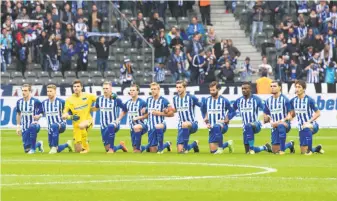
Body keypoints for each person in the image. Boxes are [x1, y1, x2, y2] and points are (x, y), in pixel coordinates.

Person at [232, 82, 272, 154]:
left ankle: (252, 149)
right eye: (242, 89)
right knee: (247, 152)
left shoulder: (256, 99)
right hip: (245, 127)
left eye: (245, 88)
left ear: (250, 89)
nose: (243, 90)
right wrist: (226, 118)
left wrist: (267, 116)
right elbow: (232, 111)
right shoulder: (238, 101)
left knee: (248, 125)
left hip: (256, 125)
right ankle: (264, 147)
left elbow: (265, 108)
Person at [288, 80, 324, 155]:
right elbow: (292, 114)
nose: (297, 89)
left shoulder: (309, 100)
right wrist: (290, 116)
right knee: (303, 151)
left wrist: (309, 121)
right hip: (301, 127)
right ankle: (316, 149)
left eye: (299, 87)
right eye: (296, 87)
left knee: (307, 127)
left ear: (304, 89)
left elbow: (318, 113)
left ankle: (310, 150)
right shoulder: (293, 101)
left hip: (312, 125)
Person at [91, 81, 128, 153]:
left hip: (114, 124)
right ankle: (120, 146)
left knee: (111, 126)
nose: (105, 90)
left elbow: (125, 109)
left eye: (107, 88)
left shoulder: (116, 99)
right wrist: (87, 109)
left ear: (111, 89)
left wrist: (118, 119)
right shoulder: (99, 99)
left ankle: (111, 149)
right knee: (106, 149)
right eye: (104, 88)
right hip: (103, 125)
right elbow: (96, 108)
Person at [37, 84, 73, 154]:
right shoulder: (44, 103)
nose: (49, 93)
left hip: (61, 125)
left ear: (55, 92)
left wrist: (66, 114)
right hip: (51, 127)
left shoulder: (61, 102)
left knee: (54, 126)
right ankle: (67, 144)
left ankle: (54, 147)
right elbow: (40, 112)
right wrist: (38, 116)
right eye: (48, 91)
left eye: (51, 91)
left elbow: (70, 112)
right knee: (53, 148)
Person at [62, 80, 96, 154]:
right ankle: (70, 143)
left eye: (78, 86)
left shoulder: (88, 96)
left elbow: (100, 100)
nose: (76, 88)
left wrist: (95, 108)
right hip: (76, 125)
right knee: (78, 150)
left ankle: (85, 148)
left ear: (81, 87)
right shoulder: (69, 100)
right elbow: (64, 114)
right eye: (74, 86)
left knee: (82, 126)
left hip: (88, 120)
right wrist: (70, 117)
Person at [201, 81, 234, 154]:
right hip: (211, 127)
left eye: (213, 90)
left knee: (216, 126)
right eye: (210, 90)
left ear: (218, 89)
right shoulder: (207, 100)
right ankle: (228, 143)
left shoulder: (224, 100)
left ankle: (221, 148)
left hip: (222, 126)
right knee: (213, 151)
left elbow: (232, 111)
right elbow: (203, 111)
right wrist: (206, 121)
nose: (211, 92)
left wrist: (228, 118)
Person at [263, 81, 295, 154]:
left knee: (281, 125)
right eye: (271, 86)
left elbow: (290, 116)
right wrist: (269, 120)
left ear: (280, 88)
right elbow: (266, 115)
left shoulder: (285, 99)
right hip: (274, 126)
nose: (272, 88)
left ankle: (282, 151)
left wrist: (279, 122)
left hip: (285, 124)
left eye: (274, 86)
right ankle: (290, 144)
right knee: (275, 151)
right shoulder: (268, 101)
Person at [142, 82, 173, 154]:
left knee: (157, 126)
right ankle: (167, 144)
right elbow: (147, 111)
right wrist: (144, 110)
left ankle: (161, 148)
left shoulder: (164, 100)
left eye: (154, 89)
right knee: (152, 150)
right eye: (151, 89)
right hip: (150, 127)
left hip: (160, 125)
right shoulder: (148, 100)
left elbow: (171, 114)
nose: (153, 91)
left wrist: (160, 113)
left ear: (158, 90)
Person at [117, 84, 149, 153]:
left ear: (138, 92)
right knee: (134, 148)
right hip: (132, 127)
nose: (131, 92)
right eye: (130, 90)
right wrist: (118, 120)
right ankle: (147, 146)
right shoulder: (128, 103)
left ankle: (138, 149)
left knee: (136, 128)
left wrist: (139, 117)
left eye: (133, 90)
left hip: (142, 125)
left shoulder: (142, 103)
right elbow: (124, 111)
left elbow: (148, 115)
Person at [172, 80, 201, 153]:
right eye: (177, 87)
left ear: (185, 88)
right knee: (179, 151)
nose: (178, 89)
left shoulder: (191, 98)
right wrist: (168, 110)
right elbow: (175, 110)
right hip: (181, 125)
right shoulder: (175, 98)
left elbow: (201, 106)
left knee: (185, 124)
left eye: (180, 87)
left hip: (192, 124)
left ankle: (185, 149)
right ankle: (194, 144)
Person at [16, 84, 43, 154]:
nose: (23, 92)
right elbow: (18, 114)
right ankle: (39, 144)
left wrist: (39, 116)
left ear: (30, 91)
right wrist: (18, 126)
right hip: (24, 127)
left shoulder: (35, 101)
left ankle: (33, 149)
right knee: (27, 150)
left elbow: (42, 110)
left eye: (25, 90)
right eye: (22, 90)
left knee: (32, 126)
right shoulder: (19, 102)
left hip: (35, 125)